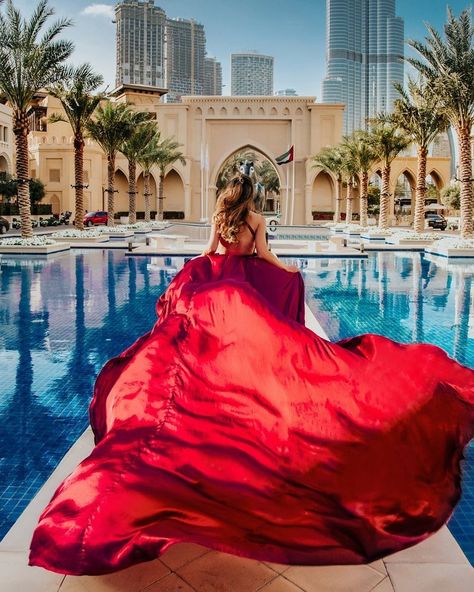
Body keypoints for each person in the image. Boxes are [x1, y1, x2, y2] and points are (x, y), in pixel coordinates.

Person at [29, 175, 474, 577]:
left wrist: (196, 277)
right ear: (253, 198)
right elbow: (262, 255)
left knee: (204, 354)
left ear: (226, 197)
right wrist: (288, 273)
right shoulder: (256, 220)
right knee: (258, 348)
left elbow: (208, 254)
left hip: (219, 284)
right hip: (243, 288)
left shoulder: (220, 217)